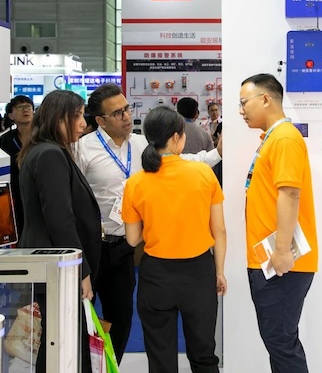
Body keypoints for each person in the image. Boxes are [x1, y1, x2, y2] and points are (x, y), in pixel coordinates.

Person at [76, 83, 223, 364]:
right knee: (83, 316)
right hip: (94, 246)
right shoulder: (84, 149)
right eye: (118, 113)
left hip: (125, 247)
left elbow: (181, 159)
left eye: (127, 109)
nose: (126, 116)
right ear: (101, 121)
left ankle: (113, 366)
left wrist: (217, 152)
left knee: (121, 318)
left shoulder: (141, 143)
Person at [122, 106, 227, 373]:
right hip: (199, 273)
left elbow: (132, 239)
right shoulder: (203, 174)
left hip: (155, 275)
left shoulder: (135, 183)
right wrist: (219, 272)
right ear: (177, 137)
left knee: (161, 359)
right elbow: (219, 231)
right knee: (204, 355)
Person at [17, 90, 102, 373]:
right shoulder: (50, 154)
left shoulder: (45, 151)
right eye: (77, 116)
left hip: (55, 264)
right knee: (63, 341)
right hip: (59, 266)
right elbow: (59, 219)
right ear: (59, 118)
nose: (84, 123)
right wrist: (81, 270)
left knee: (61, 339)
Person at [239, 73, 318, 373]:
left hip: (282, 262)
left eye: (244, 102)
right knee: (278, 341)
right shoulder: (273, 138)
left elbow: (289, 193)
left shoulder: (284, 138)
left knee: (281, 342)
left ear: (265, 99)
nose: (241, 110)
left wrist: (283, 250)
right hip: (268, 259)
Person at [0, 95, 34, 236]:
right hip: (15, 194)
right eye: (20, 107)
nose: (25, 110)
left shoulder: (42, 136)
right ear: (11, 115)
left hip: (37, 192)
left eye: (28, 107)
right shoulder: (5, 140)